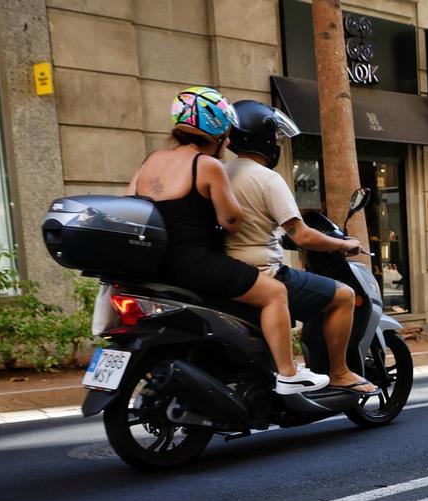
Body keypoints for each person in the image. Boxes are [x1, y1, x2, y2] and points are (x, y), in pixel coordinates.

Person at [127, 86, 327, 395]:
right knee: (274, 293)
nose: (229, 143)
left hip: (157, 264)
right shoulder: (206, 165)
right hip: (195, 263)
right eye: (227, 135)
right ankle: (288, 374)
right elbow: (231, 220)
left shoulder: (150, 161)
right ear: (217, 133)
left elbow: (130, 204)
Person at [223, 100, 376, 394]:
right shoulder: (268, 179)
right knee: (344, 295)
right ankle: (340, 372)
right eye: (274, 136)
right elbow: (303, 235)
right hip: (265, 273)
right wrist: (342, 244)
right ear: (263, 138)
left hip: (230, 273)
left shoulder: (219, 172)